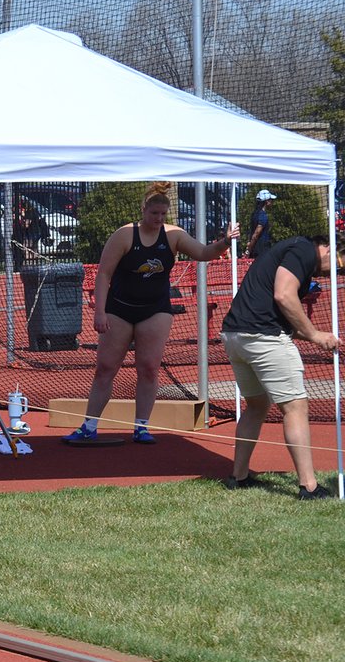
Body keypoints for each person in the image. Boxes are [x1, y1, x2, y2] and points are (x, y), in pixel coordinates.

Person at [63, 181, 239, 444]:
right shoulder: (124, 235)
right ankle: (89, 427)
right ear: (143, 210)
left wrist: (225, 242)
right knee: (106, 368)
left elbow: (203, 253)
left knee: (148, 368)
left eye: (162, 215)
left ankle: (141, 427)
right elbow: (103, 274)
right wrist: (99, 312)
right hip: (120, 309)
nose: (157, 219)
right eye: (153, 213)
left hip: (155, 310)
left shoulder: (174, 235)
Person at [221, 234, 339, 500]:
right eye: (339, 262)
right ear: (328, 247)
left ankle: (238, 477)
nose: (335, 270)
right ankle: (309, 487)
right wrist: (315, 335)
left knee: (257, 406)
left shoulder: (292, 253)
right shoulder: (304, 250)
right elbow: (284, 295)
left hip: (235, 336)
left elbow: (279, 312)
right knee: (295, 407)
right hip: (261, 337)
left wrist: (314, 334)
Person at [247, 189, 278, 259]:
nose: (272, 202)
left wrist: (249, 245)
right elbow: (256, 234)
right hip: (261, 250)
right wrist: (248, 250)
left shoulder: (254, 214)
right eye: (270, 200)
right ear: (267, 201)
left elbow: (251, 232)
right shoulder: (263, 216)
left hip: (255, 249)